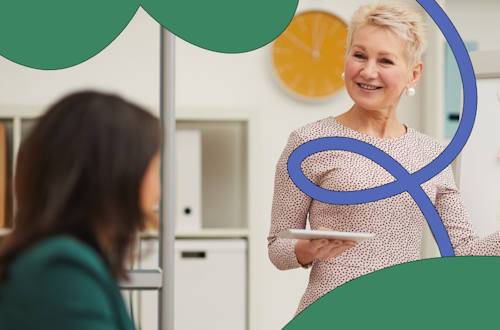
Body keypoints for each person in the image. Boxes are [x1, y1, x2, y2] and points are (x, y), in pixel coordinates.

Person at [268, 2, 500, 317]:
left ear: (413, 74)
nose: (367, 71)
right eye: (359, 55)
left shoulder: (431, 155)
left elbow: (464, 252)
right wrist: (308, 249)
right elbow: (276, 248)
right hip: (331, 313)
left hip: (400, 312)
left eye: (386, 60)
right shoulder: (308, 142)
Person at [0, 91, 161, 329]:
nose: (159, 188)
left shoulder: (57, 259)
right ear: (117, 174)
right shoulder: (61, 269)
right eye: (155, 168)